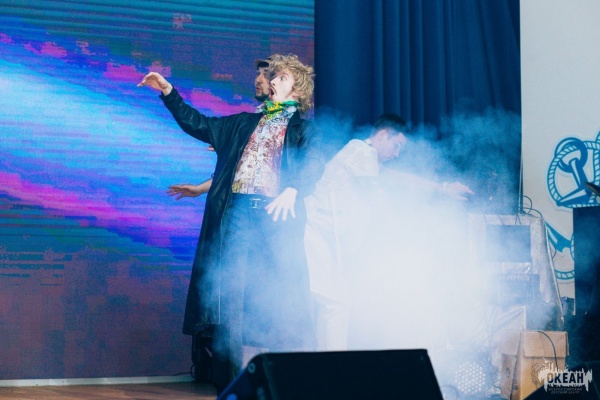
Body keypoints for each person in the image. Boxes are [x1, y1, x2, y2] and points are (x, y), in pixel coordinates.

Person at [138, 54, 323, 392]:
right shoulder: (243, 123)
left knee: (277, 296)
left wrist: (295, 188)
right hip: (236, 214)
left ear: (296, 88)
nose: (272, 81)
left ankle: (282, 382)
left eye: (280, 77)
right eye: (273, 76)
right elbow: (198, 123)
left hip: (274, 218)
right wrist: (167, 91)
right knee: (229, 295)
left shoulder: (304, 129)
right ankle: (230, 385)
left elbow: (314, 163)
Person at [304, 114, 473, 351]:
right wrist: (411, 235)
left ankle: (327, 363)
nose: (397, 154)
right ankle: (332, 366)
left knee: (336, 305)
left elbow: (398, 179)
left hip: (329, 242)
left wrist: (442, 188)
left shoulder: (367, 161)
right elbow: (380, 198)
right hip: (315, 235)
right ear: (383, 135)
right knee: (336, 305)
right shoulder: (360, 150)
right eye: (397, 145)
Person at [167, 58, 272, 199]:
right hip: (240, 208)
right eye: (258, 73)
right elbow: (199, 124)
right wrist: (167, 91)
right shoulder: (248, 123)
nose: (258, 80)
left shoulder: (295, 128)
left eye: (266, 74)